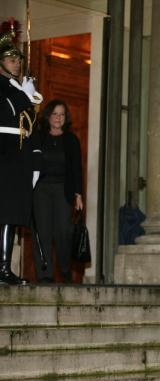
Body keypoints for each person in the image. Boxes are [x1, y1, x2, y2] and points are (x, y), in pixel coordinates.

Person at [0, 19, 43, 285]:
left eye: (18, 59)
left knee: (12, 214)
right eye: (11, 59)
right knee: (3, 211)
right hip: (3, 155)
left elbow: (32, 129)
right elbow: (9, 115)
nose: (17, 63)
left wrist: (36, 161)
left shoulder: (21, 91)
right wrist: (24, 97)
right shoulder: (12, 91)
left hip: (19, 158)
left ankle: (4, 267)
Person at [33, 99, 83, 283]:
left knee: (64, 231)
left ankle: (65, 268)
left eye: (62, 114)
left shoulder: (71, 140)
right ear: (48, 116)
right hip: (41, 190)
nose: (58, 118)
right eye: (54, 114)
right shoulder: (37, 137)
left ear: (66, 118)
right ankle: (45, 275)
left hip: (64, 189)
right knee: (42, 231)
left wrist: (79, 194)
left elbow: (77, 168)